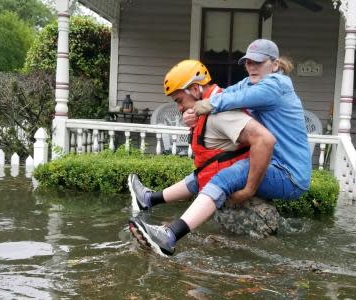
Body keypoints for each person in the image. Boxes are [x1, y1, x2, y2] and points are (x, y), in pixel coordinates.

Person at [129, 39, 312, 256]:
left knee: (225, 176)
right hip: (274, 164)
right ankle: (149, 199)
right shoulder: (251, 82)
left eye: (258, 62)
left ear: (274, 64)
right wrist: (194, 110)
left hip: (289, 174)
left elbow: (240, 101)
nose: (252, 67)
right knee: (215, 168)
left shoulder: (276, 85)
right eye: (248, 62)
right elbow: (225, 93)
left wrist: (249, 190)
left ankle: (170, 237)